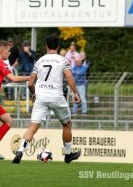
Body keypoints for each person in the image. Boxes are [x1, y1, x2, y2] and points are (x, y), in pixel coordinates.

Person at [12, 35, 81, 164]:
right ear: (58, 47)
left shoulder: (39, 61)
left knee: (32, 128)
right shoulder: (63, 60)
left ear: (46, 47)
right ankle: (68, 155)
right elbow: (69, 76)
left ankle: (20, 151)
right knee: (67, 124)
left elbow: (30, 83)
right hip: (56, 96)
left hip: (41, 97)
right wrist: (75, 93)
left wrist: (34, 94)